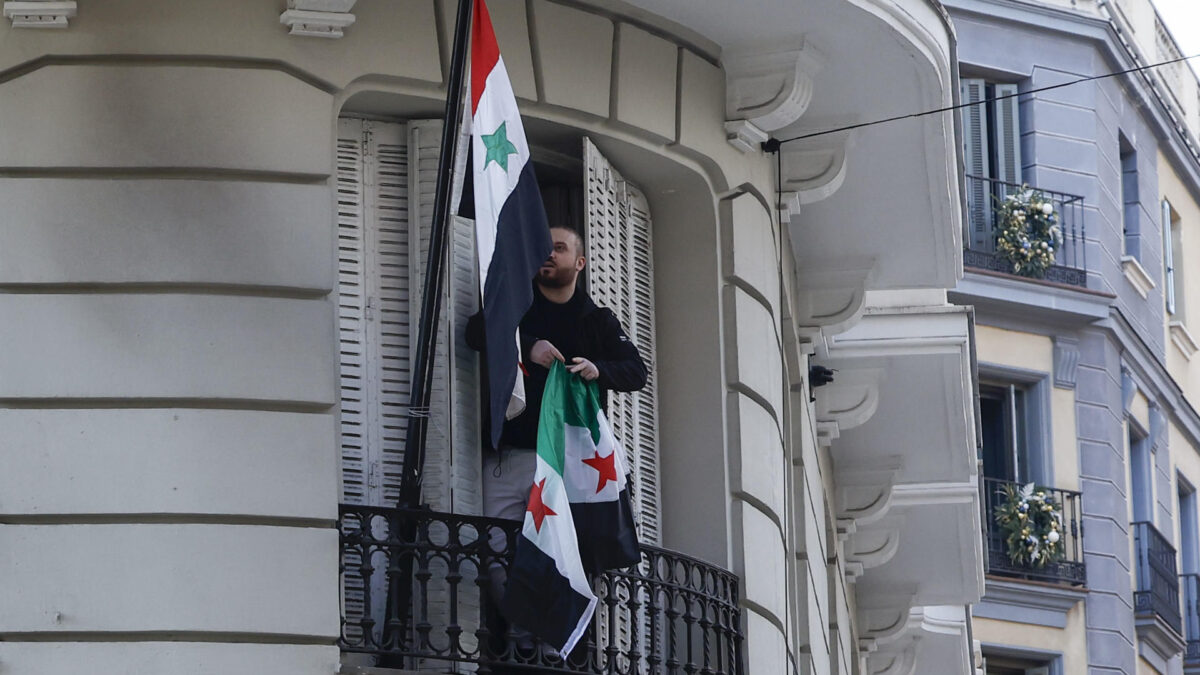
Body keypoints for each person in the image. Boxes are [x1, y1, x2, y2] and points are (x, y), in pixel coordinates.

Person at [466, 224, 647, 663]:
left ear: (579, 263)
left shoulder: (596, 320)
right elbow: (476, 332)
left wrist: (596, 369)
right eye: (543, 246)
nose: (548, 253)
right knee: (495, 550)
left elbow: (635, 372)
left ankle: (551, 646)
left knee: (563, 552)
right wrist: (526, 346)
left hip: (566, 464)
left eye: (560, 248)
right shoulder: (518, 305)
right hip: (508, 457)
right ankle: (519, 634)